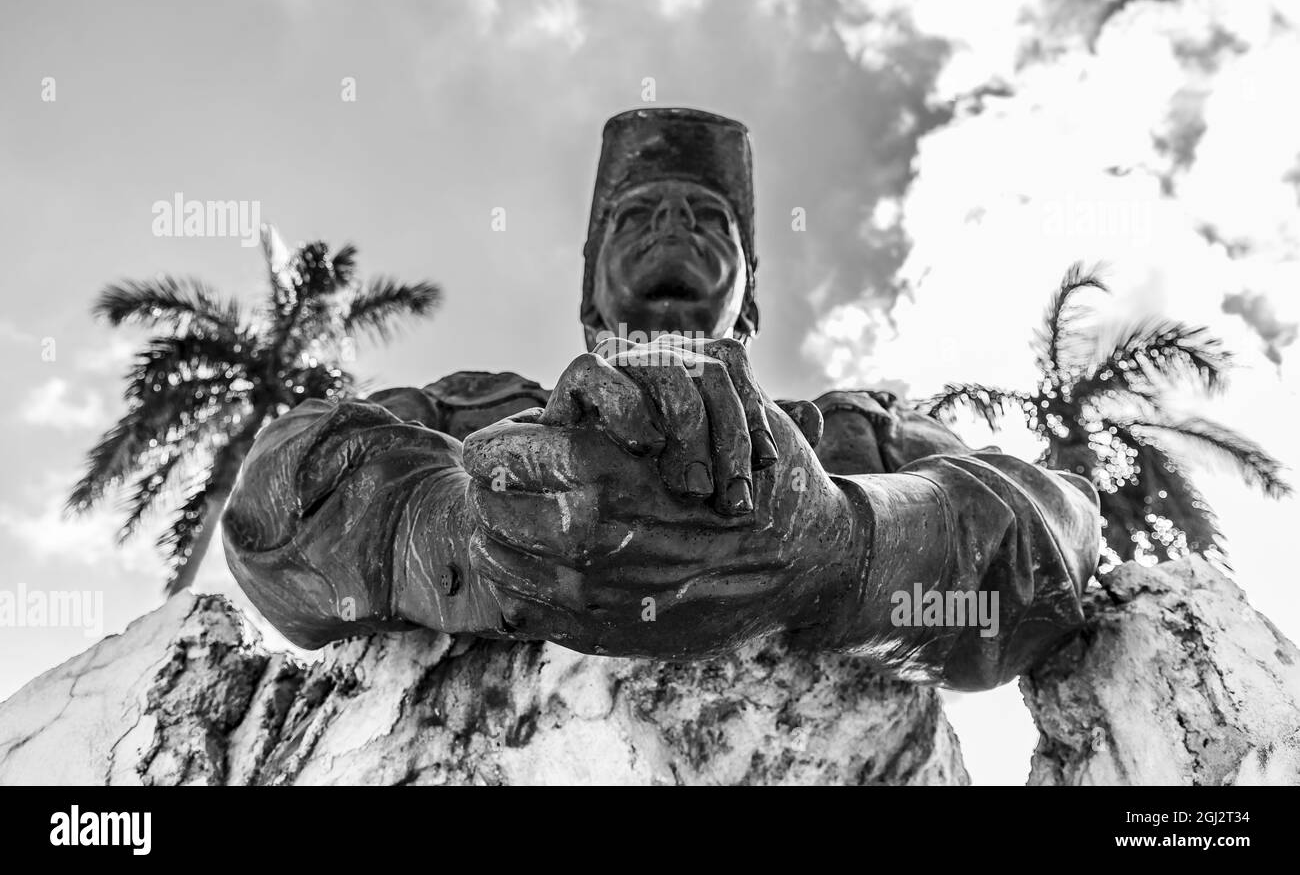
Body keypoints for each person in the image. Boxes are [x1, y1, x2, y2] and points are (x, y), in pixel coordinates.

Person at [222, 107, 1100, 691]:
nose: (672, 225)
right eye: (636, 215)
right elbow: (276, 498)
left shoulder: (859, 438)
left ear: (751, 295)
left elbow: (1052, 531)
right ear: (588, 289)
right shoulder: (467, 417)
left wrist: (839, 547)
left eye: (705, 216)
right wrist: (463, 538)